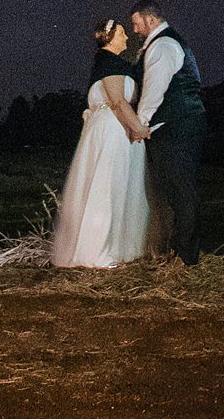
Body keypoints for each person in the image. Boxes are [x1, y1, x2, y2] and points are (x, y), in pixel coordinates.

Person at [48, 17, 150, 266]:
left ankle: (115, 248)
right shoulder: (110, 63)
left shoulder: (109, 63)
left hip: (110, 128)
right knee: (108, 186)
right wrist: (139, 129)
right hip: (113, 130)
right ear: (111, 37)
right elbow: (117, 101)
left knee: (114, 185)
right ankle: (98, 251)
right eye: (122, 33)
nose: (127, 37)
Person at [127, 0, 204, 263]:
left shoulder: (163, 44)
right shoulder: (162, 43)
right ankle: (178, 252)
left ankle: (187, 258)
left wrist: (141, 124)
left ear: (150, 19)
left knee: (181, 190)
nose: (134, 29)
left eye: (136, 23)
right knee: (174, 190)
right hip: (176, 124)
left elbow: (154, 90)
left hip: (176, 126)